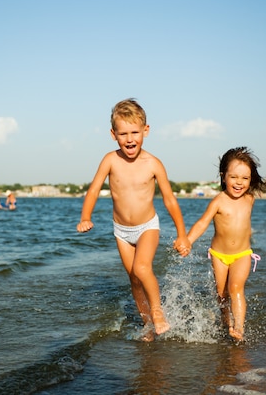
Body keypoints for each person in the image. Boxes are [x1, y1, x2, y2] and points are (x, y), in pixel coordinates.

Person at [77, 98, 191, 340]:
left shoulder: (153, 164)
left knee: (141, 268)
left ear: (146, 131)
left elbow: (170, 200)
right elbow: (94, 189)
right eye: (123, 133)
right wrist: (85, 216)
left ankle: (158, 313)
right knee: (134, 279)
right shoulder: (110, 160)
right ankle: (149, 325)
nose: (130, 139)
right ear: (113, 134)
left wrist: (182, 234)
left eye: (135, 132)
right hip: (121, 231)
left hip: (147, 227)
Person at [181, 147, 266, 342]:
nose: (239, 182)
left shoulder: (250, 199)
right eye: (234, 177)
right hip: (219, 255)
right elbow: (202, 222)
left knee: (236, 287)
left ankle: (238, 328)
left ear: (251, 179)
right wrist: (188, 240)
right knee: (221, 294)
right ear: (223, 176)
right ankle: (225, 322)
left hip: (243, 254)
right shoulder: (218, 201)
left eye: (245, 178)